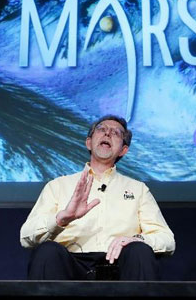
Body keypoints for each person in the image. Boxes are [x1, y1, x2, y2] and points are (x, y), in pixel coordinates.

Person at [20, 115, 175, 280]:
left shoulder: (138, 189)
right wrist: (61, 219)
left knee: (139, 250)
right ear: (88, 142)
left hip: (120, 264)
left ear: (123, 150)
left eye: (116, 133)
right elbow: (26, 236)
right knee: (47, 251)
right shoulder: (57, 185)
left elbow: (167, 240)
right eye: (102, 129)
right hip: (69, 266)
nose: (107, 134)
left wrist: (136, 239)